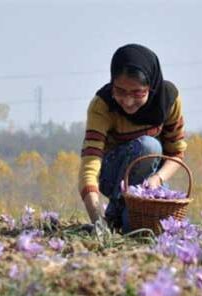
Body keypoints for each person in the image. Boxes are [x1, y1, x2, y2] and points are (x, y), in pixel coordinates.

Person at [78, 44, 187, 233]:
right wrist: (97, 218)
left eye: (137, 93)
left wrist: (157, 180)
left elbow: (176, 153)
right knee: (149, 146)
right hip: (112, 174)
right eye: (120, 91)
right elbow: (90, 164)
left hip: (149, 178)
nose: (128, 101)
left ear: (151, 87)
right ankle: (116, 210)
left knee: (145, 227)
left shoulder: (168, 100)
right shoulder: (102, 106)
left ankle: (118, 215)